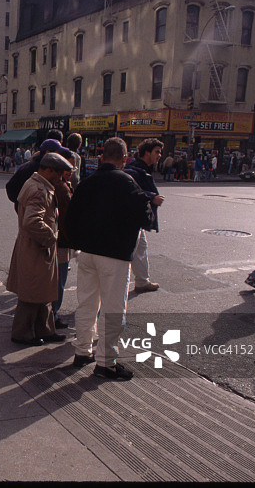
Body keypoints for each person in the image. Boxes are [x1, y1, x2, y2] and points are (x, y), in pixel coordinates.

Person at [63, 137, 154, 379]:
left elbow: (70, 219)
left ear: (102, 157)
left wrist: (78, 244)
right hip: (114, 255)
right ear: (124, 159)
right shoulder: (128, 182)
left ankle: (82, 351)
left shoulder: (87, 183)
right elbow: (146, 217)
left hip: (88, 253)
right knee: (113, 310)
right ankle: (106, 362)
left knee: (87, 305)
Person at [7, 153, 73, 346]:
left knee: (43, 292)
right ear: (49, 170)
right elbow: (32, 221)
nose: (61, 177)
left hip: (36, 246)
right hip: (36, 247)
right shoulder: (38, 189)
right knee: (32, 294)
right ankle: (22, 334)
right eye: (59, 173)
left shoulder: (37, 184)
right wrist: (51, 237)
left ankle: (45, 329)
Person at [124, 138, 165, 293]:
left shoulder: (143, 168)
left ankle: (142, 281)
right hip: (133, 219)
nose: (159, 155)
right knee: (129, 253)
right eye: (157, 152)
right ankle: (118, 287)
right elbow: (130, 190)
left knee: (141, 248)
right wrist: (151, 196)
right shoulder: (134, 169)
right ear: (146, 152)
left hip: (138, 219)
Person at [5, 138, 70, 212]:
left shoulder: (30, 166)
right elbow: (11, 187)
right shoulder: (38, 169)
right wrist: (22, 203)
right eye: (58, 153)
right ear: (48, 152)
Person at [50, 157, 76, 329]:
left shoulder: (63, 185)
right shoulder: (60, 187)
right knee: (59, 280)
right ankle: (53, 315)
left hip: (60, 239)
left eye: (72, 167)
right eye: (67, 167)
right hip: (61, 241)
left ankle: (52, 313)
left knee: (58, 278)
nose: (70, 170)